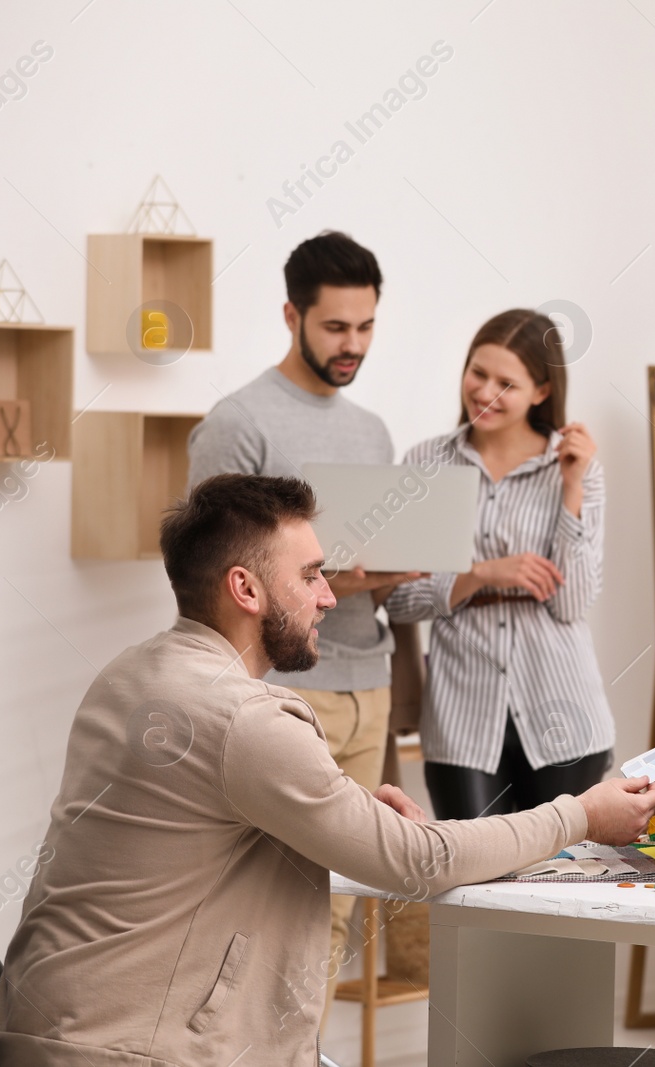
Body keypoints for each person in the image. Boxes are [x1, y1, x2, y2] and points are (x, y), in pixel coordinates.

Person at [0, 474, 655, 1066]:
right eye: (310, 574)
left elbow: (204, 832)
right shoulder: (240, 719)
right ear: (244, 587)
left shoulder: (133, 671)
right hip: (133, 1050)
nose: (330, 596)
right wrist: (582, 811)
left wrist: (348, 817)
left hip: (52, 1028)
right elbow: (417, 861)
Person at [185, 230, 419, 1021]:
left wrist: (388, 577)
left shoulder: (373, 431)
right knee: (264, 905)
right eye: (334, 328)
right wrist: (333, 578)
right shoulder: (238, 422)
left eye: (365, 327)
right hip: (283, 690)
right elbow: (217, 576)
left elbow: (362, 572)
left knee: (338, 907)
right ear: (292, 315)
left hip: (367, 680)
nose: (352, 346)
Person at [387, 309, 615, 819]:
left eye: (506, 383)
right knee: (467, 879)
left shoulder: (576, 470)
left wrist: (572, 488)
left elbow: (573, 601)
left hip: (565, 715)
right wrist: (480, 576)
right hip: (460, 719)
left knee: (562, 885)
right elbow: (398, 599)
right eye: (478, 373)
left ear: (540, 391)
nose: (485, 391)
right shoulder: (426, 464)